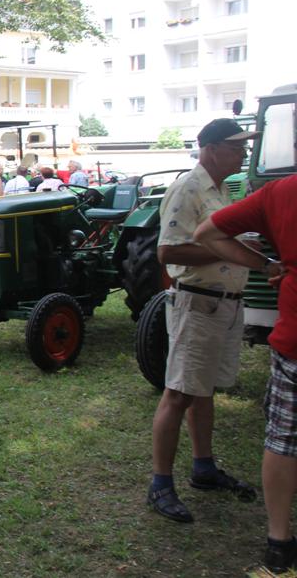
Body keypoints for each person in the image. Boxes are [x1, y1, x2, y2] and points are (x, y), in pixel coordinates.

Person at [146, 118, 260, 524]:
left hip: (223, 305)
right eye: (236, 146)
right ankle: (160, 483)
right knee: (178, 392)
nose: (244, 153)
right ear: (210, 148)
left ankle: (203, 467)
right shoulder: (187, 188)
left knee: (203, 389)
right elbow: (167, 253)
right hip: (197, 304)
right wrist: (229, 251)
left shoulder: (221, 190)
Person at [194, 174, 295, 572]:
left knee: (284, 440)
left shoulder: (279, 192)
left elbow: (208, 233)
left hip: (293, 341)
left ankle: (278, 541)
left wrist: (271, 264)